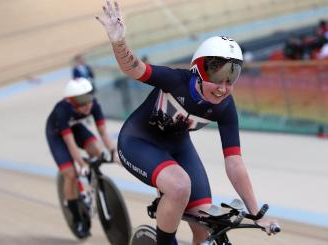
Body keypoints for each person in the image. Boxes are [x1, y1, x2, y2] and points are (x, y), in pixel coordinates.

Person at [96, 1, 280, 244]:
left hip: (178, 149)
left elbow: (234, 162)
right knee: (180, 185)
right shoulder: (176, 81)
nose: (223, 88)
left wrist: (256, 213)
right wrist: (118, 42)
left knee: (205, 226)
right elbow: (135, 69)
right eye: (217, 77)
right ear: (198, 71)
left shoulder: (225, 107)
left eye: (232, 76)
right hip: (138, 142)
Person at [45, 77, 117, 238]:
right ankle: (77, 219)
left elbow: (103, 133)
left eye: (88, 98)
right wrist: (81, 163)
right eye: (80, 101)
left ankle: (94, 179)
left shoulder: (94, 105)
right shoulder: (62, 110)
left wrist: (115, 153)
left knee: (97, 150)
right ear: (70, 101)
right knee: (70, 174)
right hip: (57, 135)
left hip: (75, 128)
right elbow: (69, 143)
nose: (86, 105)